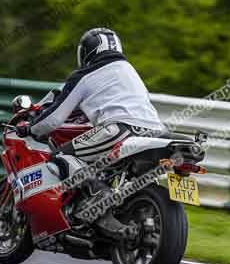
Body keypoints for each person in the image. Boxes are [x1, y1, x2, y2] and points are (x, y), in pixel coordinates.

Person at [15, 28, 166, 238]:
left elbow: (54, 118)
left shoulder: (85, 75)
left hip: (120, 129)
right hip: (156, 131)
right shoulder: (128, 69)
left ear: (87, 52)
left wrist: (30, 128)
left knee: (60, 156)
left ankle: (98, 194)